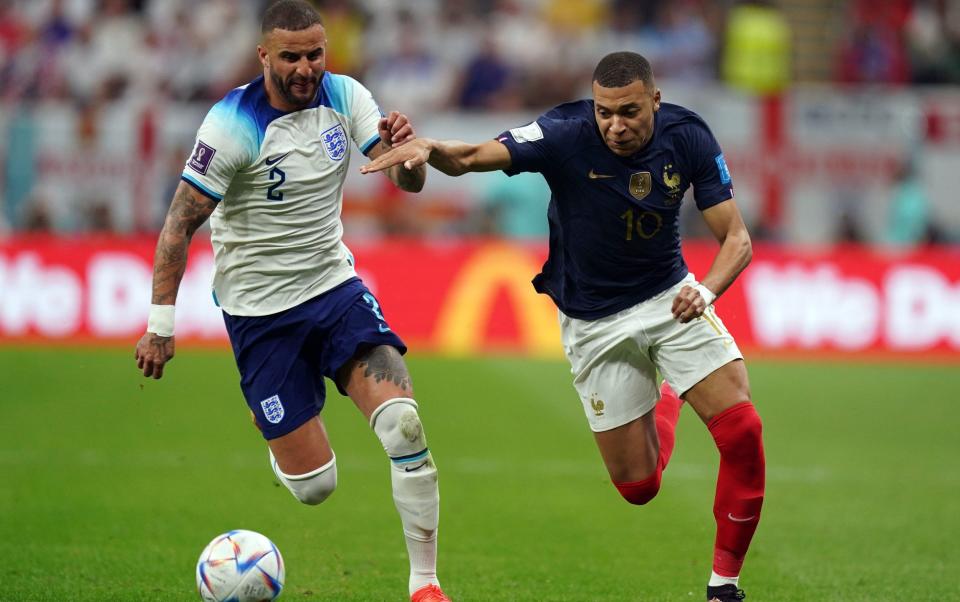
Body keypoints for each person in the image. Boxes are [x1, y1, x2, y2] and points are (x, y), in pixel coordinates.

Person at [362, 51, 765, 602]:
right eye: (605, 112)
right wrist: (432, 149)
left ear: (655, 100)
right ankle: (669, 396)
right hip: (593, 322)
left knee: (742, 431)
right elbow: (476, 155)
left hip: (673, 299)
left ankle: (724, 586)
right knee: (639, 487)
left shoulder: (689, 136)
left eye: (628, 112)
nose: (615, 126)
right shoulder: (565, 132)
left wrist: (707, 290)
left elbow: (736, 239)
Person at [133, 2, 451, 601]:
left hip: (334, 289)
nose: (306, 68)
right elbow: (179, 224)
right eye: (291, 57)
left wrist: (408, 158)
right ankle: (271, 410)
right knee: (315, 487)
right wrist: (159, 325)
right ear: (264, 57)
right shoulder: (232, 125)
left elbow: (402, 178)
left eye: (315, 53)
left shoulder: (347, 96)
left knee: (404, 424)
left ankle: (426, 584)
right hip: (260, 315)